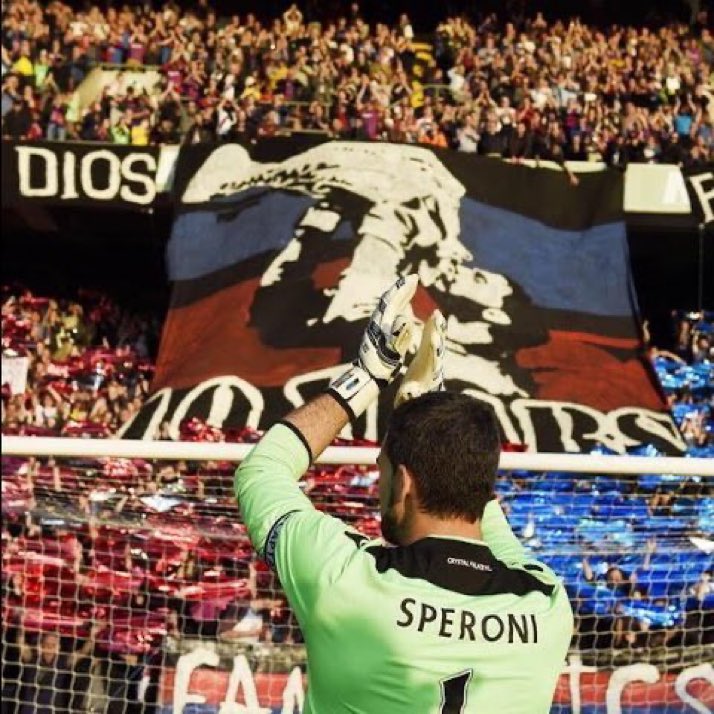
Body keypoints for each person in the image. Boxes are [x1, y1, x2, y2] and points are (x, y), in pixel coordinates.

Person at [234, 276, 573, 713]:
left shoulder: (346, 577)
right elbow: (485, 513)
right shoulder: (545, 603)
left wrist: (369, 373)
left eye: (383, 473)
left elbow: (262, 471)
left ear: (406, 482)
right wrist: (426, 417)